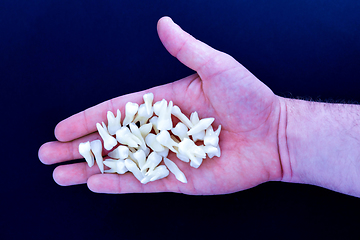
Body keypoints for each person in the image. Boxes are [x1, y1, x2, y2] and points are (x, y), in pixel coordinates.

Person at [38, 16, 360, 198]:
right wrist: (279, 131)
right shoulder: (160, 138)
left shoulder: (181, 137)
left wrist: (278, 129)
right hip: (158, 144)